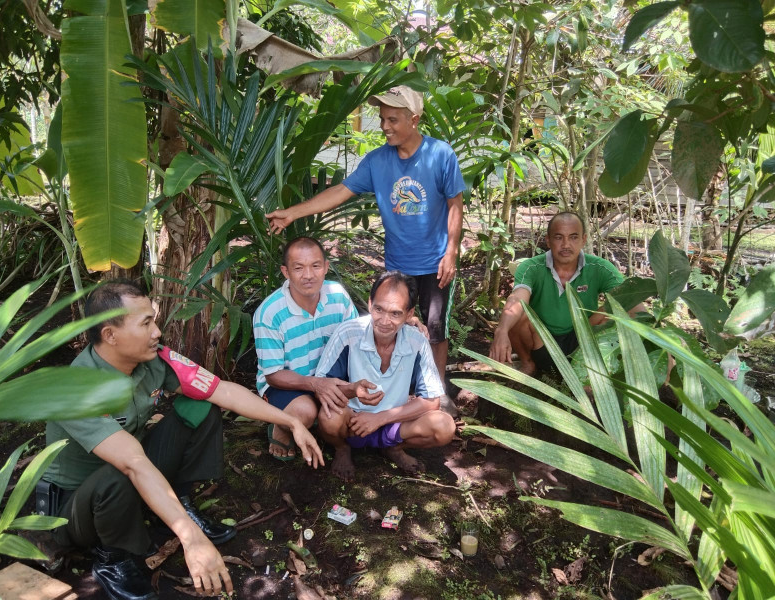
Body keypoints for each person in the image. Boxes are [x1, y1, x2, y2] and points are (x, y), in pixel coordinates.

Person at [41, 281, 324, 600]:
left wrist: (289, 420)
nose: (157, 332)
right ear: (110, 335)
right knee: (120, 470)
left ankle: (179, 504)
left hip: (131, 477)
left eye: (154, 320)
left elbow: (222, 390)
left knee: (199, 407)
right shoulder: (77, 390)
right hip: (76, 509)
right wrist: (190, 539)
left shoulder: (154, 357)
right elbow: (133, 464)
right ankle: (112, 558)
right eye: (145, 323)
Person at [266, 86, 466, 415]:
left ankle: (437, 392)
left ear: (414, 120)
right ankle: (397, 393)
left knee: (433, 329)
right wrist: (294, 213)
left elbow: (454, 203)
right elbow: (341, 191)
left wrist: (451, 252)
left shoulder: (440, 154)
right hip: (397, 264)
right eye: (382, 118)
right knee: (390, 326)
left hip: (434, 262)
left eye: (393, 119)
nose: (384, 126)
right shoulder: (376, 161)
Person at [314, 271, 457, 481]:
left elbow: (432, 401)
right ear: (370, 303)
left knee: (444, 426)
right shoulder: (348, 333)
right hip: (352, 422)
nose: (384, 321)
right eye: (378, 309)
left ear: (409, 314)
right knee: (329, 416)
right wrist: (352, 390)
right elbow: (323, 386)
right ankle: (342, 449)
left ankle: (394, 448)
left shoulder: (416, 342)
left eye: (395, 313)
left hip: (393, 424)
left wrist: (380, 418)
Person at [490, 212, 640, 375]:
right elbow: (518, 298)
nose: (566, 245)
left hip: (583, 342)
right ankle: (528, 364)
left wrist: (657, 339)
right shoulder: (531, 267)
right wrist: (501, 331)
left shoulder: (600, 268)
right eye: (559, 237)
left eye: (573, 237)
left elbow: (631, 298)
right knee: (517, 314)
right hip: (541, 341)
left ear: (583, 240)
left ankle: (590, 373)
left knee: (613, 310)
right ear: (548, 240)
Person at [253, 237, 358, 460]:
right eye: (298, 268)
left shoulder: (338, 296)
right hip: (288, 383)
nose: (308, 275)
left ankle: (322, 422)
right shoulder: (269, 313)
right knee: (305, 412)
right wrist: (315, 384)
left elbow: (358, 338)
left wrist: (401, 323)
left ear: (326, 267)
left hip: (329, 378)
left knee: (351, 416)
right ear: (285, 272)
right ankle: (281, 426)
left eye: (316, 266)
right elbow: (272, 375)